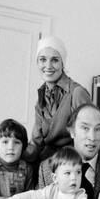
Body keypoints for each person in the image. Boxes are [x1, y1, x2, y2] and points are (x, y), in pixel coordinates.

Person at [24, 35, 92, 164]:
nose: (48, 66)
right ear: (37, 63)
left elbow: (91, 136)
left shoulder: (76, 93)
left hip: (70, 164)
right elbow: (36, 142)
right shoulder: (41, 97)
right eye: (42, 59)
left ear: (63, 63)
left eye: (54, 60)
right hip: (46, 161)